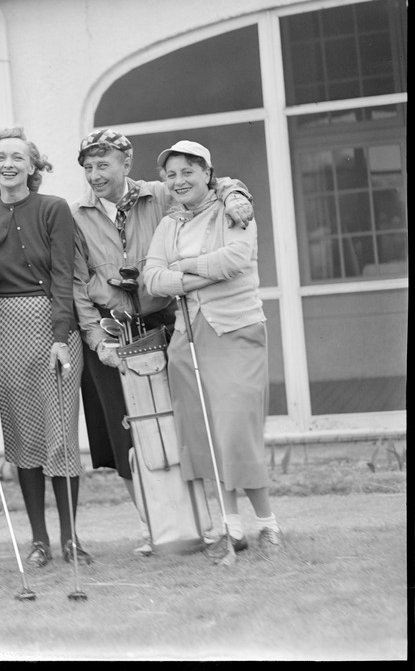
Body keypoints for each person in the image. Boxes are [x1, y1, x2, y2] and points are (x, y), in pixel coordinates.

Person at [71, 128, 254, 555]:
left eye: (104, 165)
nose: (96, 175)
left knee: (185, 426)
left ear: (125, 164)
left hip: (166, 322)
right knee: (126, 436)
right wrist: (98, 341)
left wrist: (235, 193)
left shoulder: (160, 192)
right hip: (111, 335)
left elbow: (209, 184)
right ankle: (158, 530)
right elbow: (78, 284)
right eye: (88, 167)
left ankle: (210, 523)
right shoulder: (75, 213)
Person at [143, 140, 282, 557]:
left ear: (207, 173)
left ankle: (268, 524)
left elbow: (236, 259)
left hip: (236, 330)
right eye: (171, 175)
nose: (178, 181)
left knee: (237, 428)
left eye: (187, 171)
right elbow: (151, 278)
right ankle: (231, 528)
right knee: (205, 431)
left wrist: (180, 269)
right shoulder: (169, 224)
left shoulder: (234, 209)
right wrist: (193, 276)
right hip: (188, 339)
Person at [0, 126, 88, 568]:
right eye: (1, 157)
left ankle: (70, 538)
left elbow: (64, 275)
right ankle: (39, 540)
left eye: (18, 157)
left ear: (33, 166)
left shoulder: (54, 209)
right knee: (22, 438)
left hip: (53, 328)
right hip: (4, 330)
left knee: (61, 434)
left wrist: (61, 336)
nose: (9, 164)